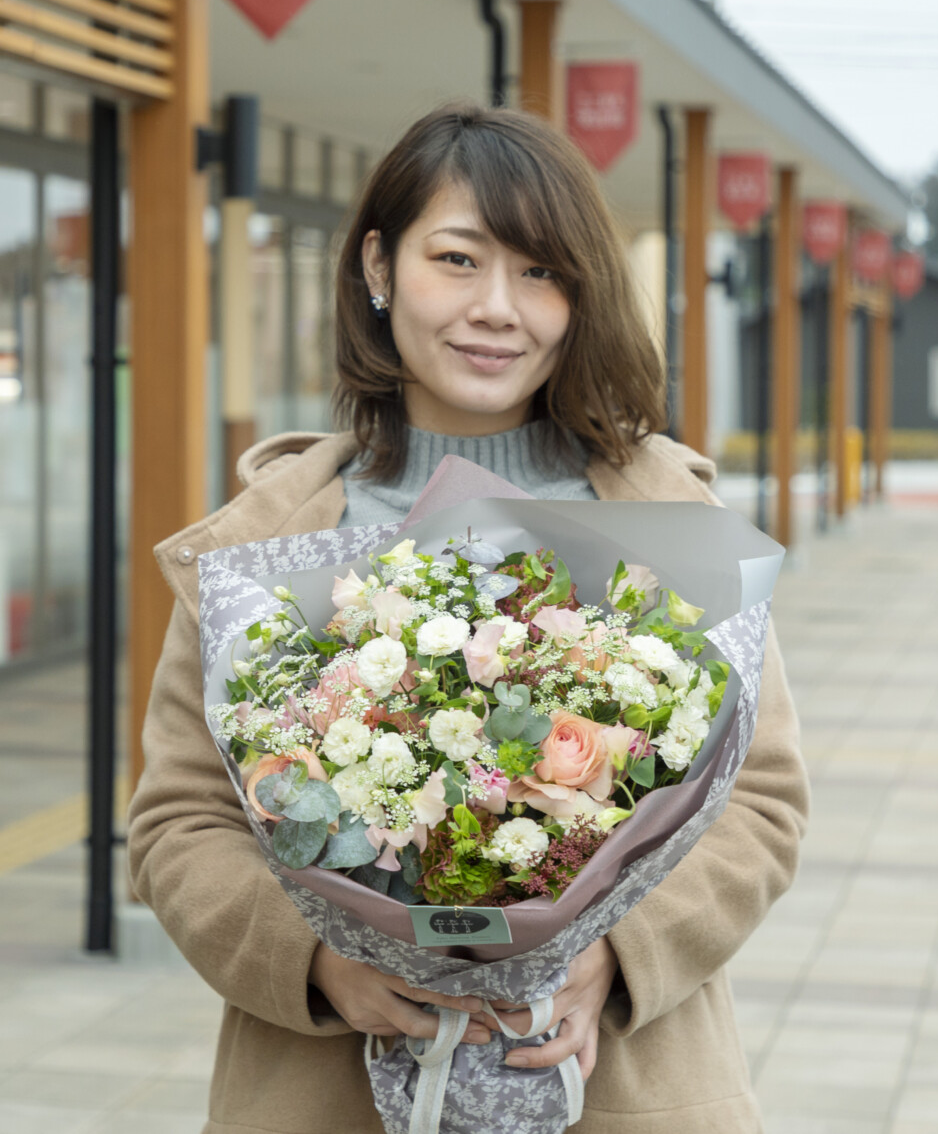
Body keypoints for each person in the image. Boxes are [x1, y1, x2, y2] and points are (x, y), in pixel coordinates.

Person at [128, 104, 809, 1133]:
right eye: (456, 259)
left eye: (540, 272)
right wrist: (319, 963)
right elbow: (177, 823)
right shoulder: (264, 547)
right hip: (326, 1091)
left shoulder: (667, 524)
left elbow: (758, 802)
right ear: (377, 266)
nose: (498, 307)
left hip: (622, 1085)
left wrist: (611, 956)